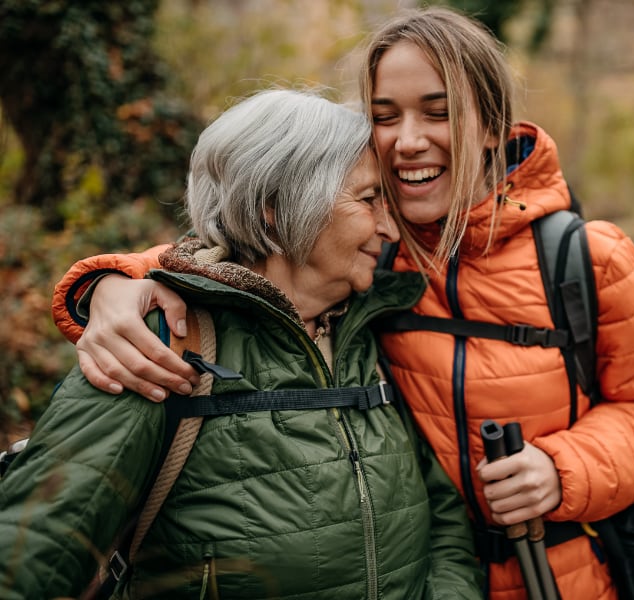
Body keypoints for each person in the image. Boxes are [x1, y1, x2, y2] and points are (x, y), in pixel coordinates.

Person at [48, 7, 634, 600]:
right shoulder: (366, 249)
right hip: (414, 577)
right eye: (385, 116)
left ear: (494, 125)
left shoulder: (587, 258)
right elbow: (239, 248)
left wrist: (564, 469)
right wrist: (114, 281)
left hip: (559, 579)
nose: (407, 141)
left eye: (437, 112)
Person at [0, 88, 485, 600]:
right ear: (275, 206)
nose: (389, 226)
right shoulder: (160, 344)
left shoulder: (371, 336)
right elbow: (31, 553)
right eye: (367, 199)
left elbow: (443, 524)